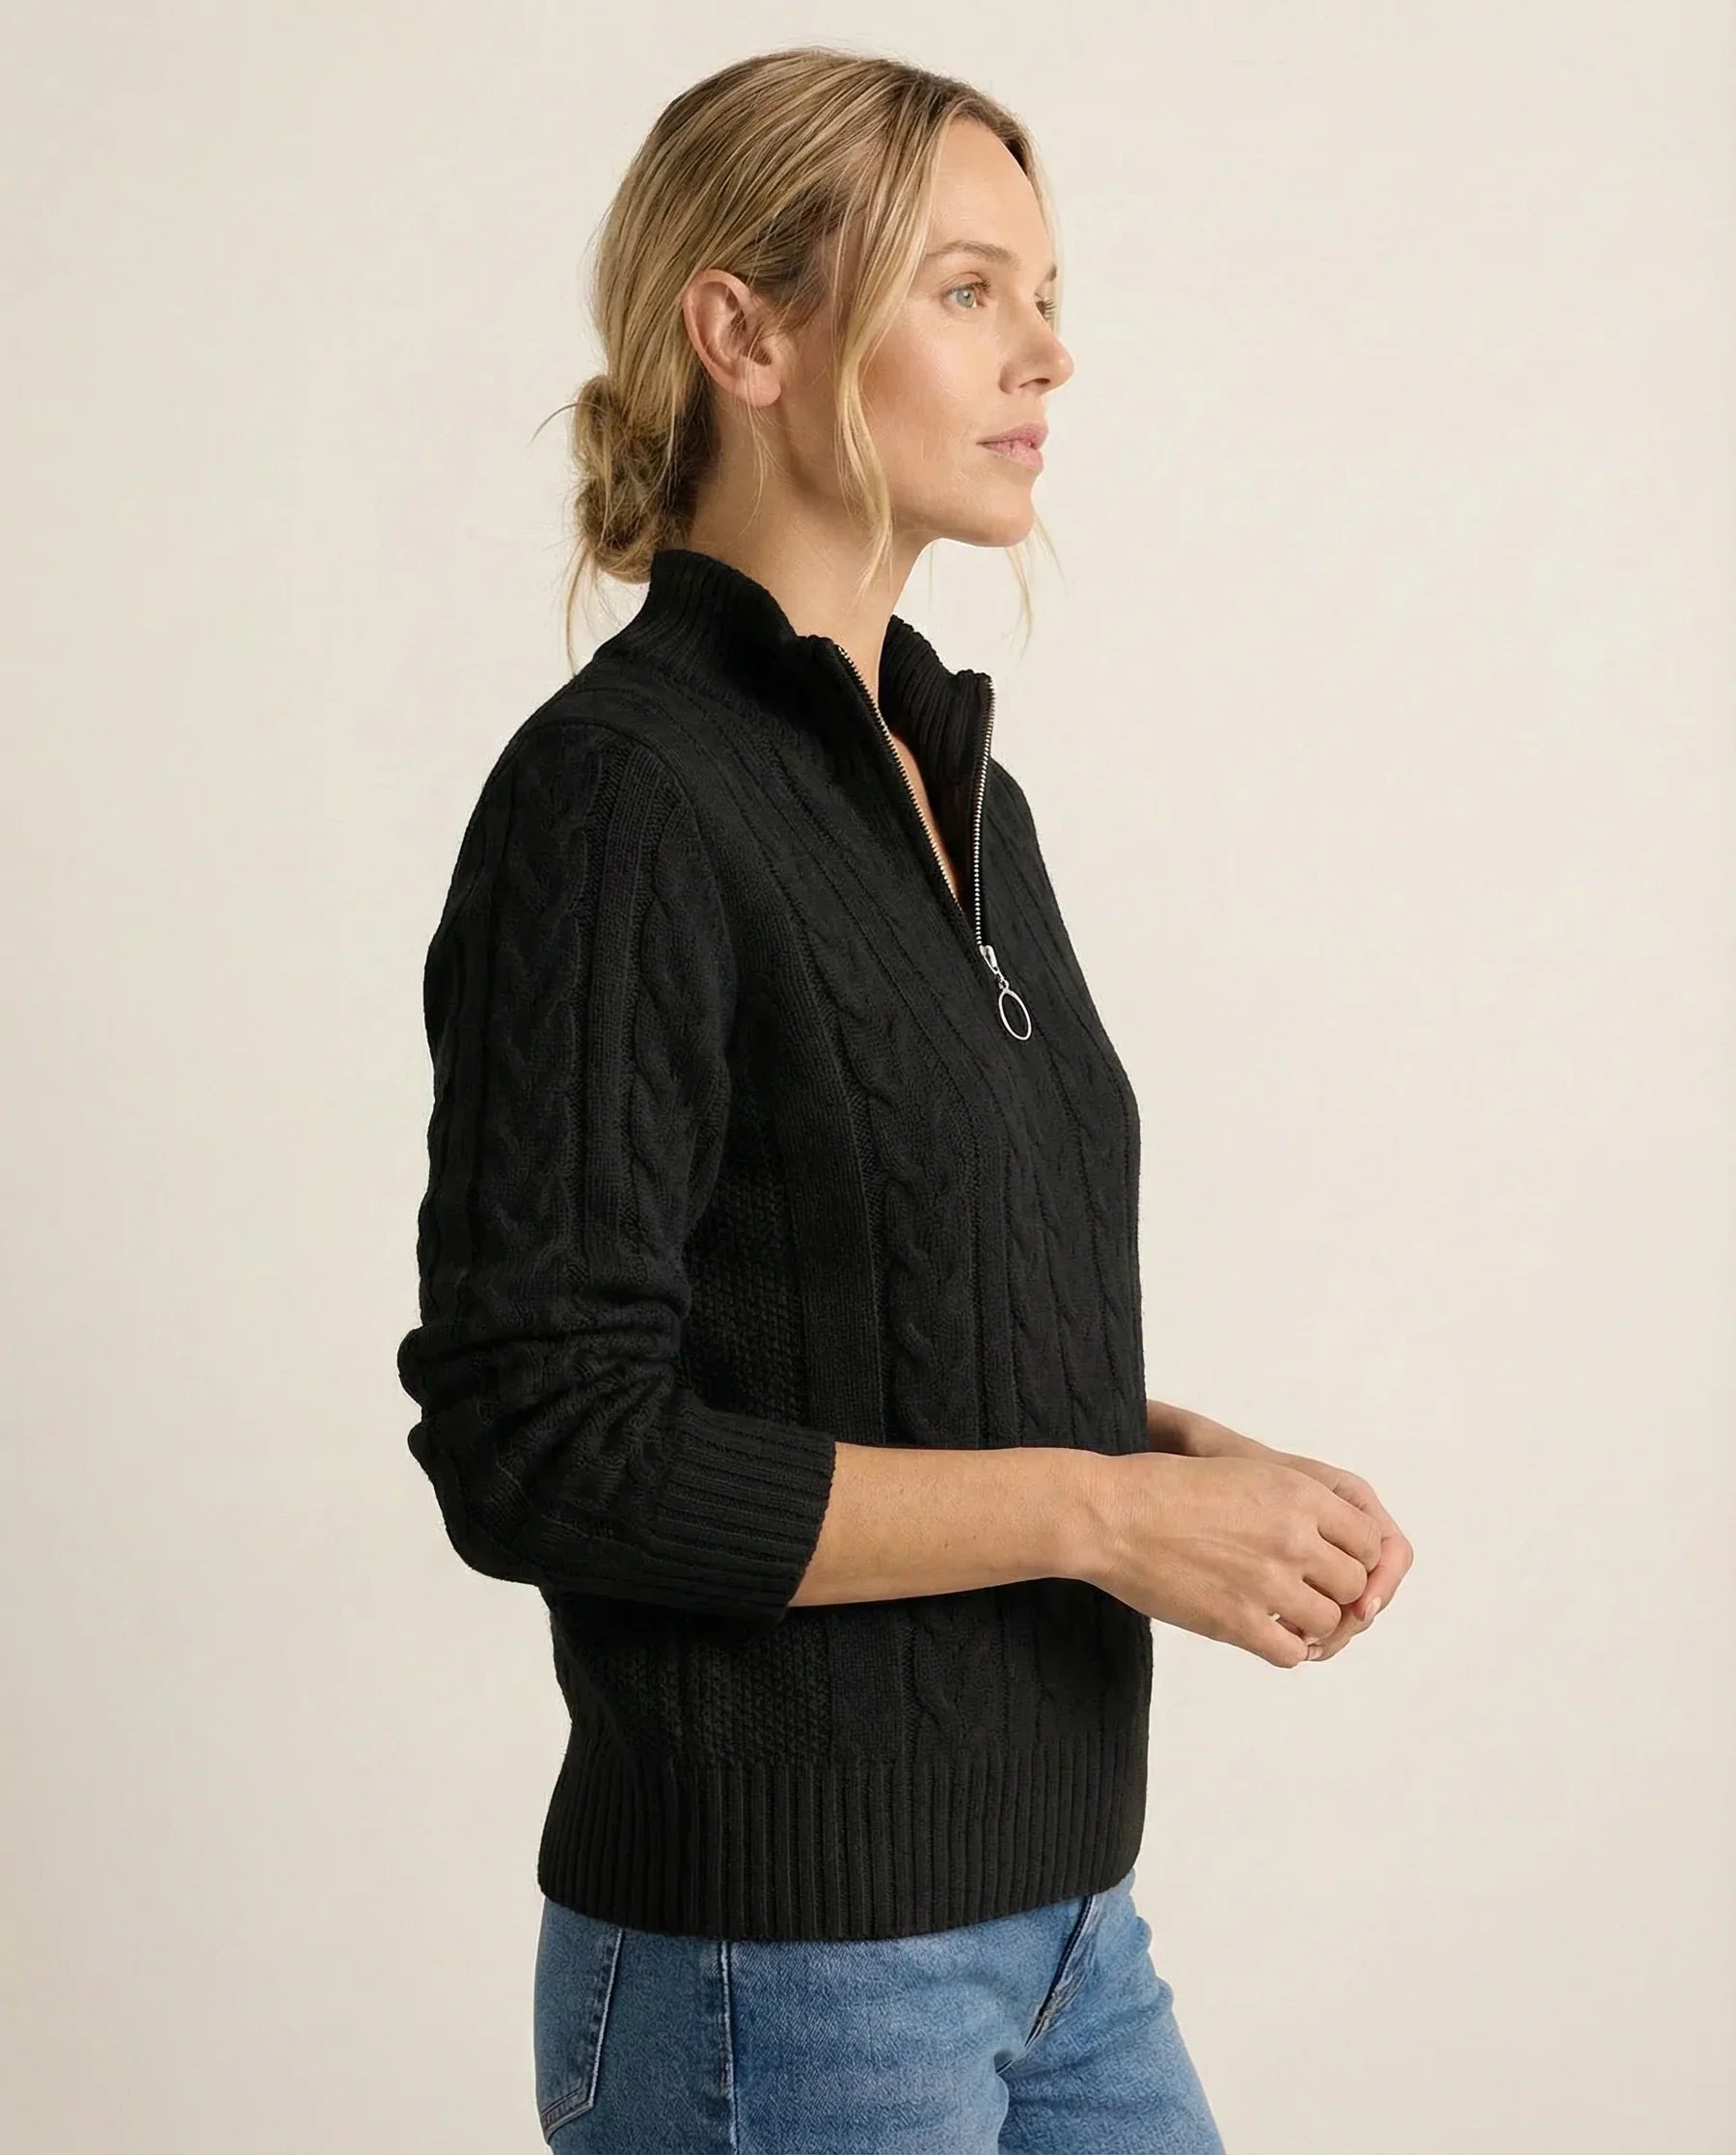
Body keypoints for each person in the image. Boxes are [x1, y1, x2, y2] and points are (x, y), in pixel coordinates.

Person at [395, 45, 1410, 2155]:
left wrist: (1162, 1461)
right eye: (965, 289)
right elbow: (546, 1445)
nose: (1047, 351)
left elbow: (842, 1321)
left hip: (1065, 1935)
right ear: (745, 335)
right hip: (780, 1978)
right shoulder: (622, 798)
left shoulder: (960, 794)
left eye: (1045, 293)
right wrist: (1097, 1514)